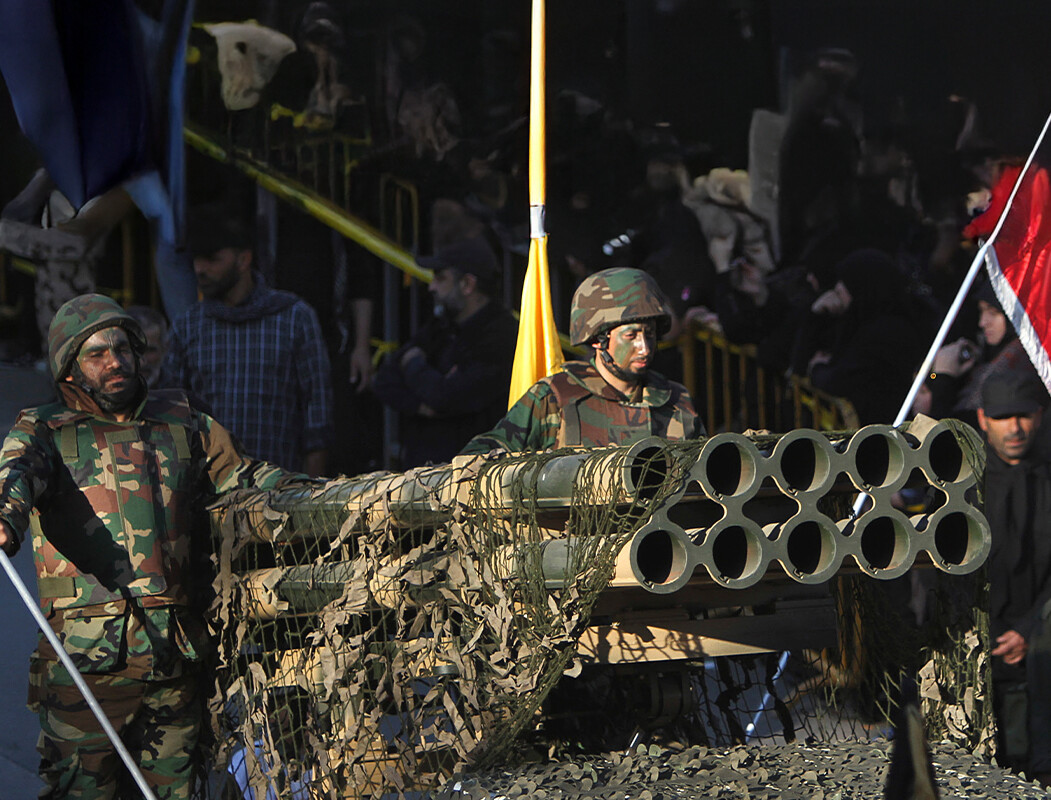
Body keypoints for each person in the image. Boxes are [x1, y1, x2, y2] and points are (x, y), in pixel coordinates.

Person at [0, 294, 309, 798]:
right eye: (97, 354)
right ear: (69, 368)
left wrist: (318, 497)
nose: (115, 361)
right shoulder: (43, 430)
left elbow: (247, 479)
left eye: (122, 348)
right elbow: (15, 475)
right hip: (88, 667)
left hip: (175, 656)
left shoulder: (183, 420)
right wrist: (6, 517)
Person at [161, 209, 334, 476]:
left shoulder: (293, 318)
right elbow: (172, 416)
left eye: (212, 260)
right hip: (210, 487)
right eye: (196, 260)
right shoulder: (188, 326)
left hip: (280, 486)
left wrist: (313, 488)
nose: (200, 269)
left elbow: (318, 415)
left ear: (243, 260)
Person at [462, 267, 704, 453]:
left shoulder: (675, 400)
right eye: (631, 336)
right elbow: (481, 457)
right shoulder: (554, 398)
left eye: (649, 334)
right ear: (598, 340)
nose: (644, 347)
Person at [371, 235, 517, 467]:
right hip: (423, 469)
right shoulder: (441, 327)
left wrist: (413, 365)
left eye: (440, 278)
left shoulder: (500, 337)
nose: (431, 287)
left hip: (471, 473)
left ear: (467, 284)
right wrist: (423, 404)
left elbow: (447, 397)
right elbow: (384, 380)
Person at [978, 365, 1051, 783]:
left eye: (1023, 415)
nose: (1015, 428)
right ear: (983, 418)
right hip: (980, 648)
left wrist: (1029, 629)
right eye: (1003, 416)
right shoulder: (962, 487)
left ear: (1039, 415)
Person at [125, 304, 170, 389]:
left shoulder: (181, 393)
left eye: (150, 351)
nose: (142, 363)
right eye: (134, 351)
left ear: (164, 349)